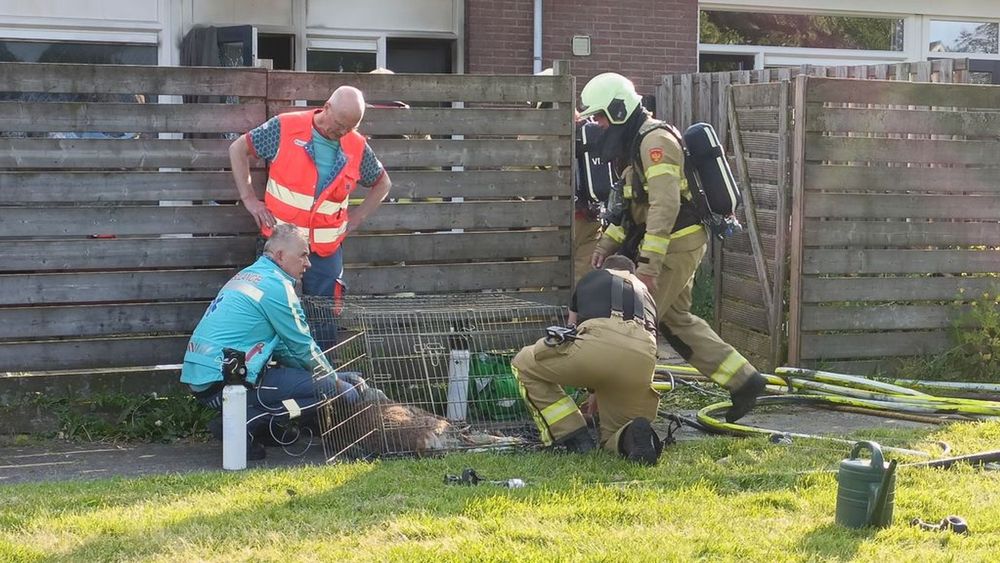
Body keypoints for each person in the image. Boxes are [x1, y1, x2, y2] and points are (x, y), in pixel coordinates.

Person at [577, 72, 767, 423]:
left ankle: (613, 413)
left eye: (601, 116)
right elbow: (630, 209)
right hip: (674, 245)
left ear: (619, 110)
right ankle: (744, 380)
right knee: (676, 320)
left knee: (633, 327)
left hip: (675, 246)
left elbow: (665, 208)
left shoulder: (656, 142)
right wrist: (606, 244)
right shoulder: (634, 144)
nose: (598, 124)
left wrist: (647, 267)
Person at [180, 224, 366, 459]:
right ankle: (243, 422)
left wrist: (335, 376)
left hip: (207, 377)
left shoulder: (252, 275)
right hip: (225, 380)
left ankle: (262, 429)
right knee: (336, 390)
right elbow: (303, 347)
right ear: (280, 256)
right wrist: (337, 384)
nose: (308, 263)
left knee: (336, 381)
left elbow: (282, 349)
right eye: (303, 255)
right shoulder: (276, 287)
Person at [228, 86, 392, 301]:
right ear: (327, 108)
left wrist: (357, 218)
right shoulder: (286, 127)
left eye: (351, 127)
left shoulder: (356, 145)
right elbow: (238, 148)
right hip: (281, 244)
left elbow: (383, 183)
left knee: (324, 317)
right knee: (270, 306)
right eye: (340, 125)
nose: (343, 132)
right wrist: (249, 199)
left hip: (326, 250)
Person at [512, 255, 662, 465]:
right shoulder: (646, 295)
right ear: (632, 272)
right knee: (614, 431)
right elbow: (643, 346)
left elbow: (570, 333)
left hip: (596, 345)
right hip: (642, 359)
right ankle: (630, 438)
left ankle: (572, 433)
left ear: (606, 269)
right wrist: (597, 392)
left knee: (523, 363)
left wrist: (591, 386)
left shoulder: (592, 279)